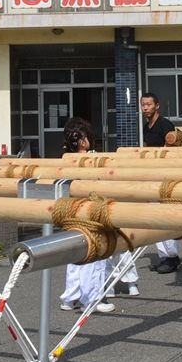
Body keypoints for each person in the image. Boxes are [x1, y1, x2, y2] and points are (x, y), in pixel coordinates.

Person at [57, 117, 117, 313]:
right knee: (94, 251)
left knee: (75, 252)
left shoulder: (65, 158)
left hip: (72, 208)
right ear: (83, 140)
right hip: (89, 208)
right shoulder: (91, 158)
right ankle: (92, 298)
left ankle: (71, 296)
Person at [141, 92, 181, 273]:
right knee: (154, 215)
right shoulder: (146, 126)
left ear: (157, 106)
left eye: (149, 104)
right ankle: (163, 255)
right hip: (152, 173)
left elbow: (173, 149)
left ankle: (172, 257)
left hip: (165, 174)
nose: (145, 108)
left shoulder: (165, 124)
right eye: (143, 105)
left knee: (165, 214)